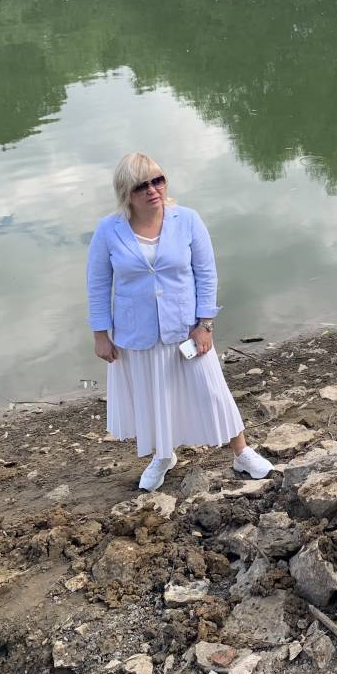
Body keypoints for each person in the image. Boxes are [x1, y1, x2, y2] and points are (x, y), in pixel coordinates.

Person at [87, 153, 272, 492]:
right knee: (153, 398)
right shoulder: (107, 230)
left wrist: (205, 324)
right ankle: (163, 455)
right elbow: (98, 284)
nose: (153, 190)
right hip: (135, 333)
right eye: (142, 185)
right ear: (126, 192)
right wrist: (100, 334)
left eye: (158, 180)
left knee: (213, 391)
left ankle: (241, 452)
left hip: (185, 329)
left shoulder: (187, 220)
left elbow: (206, 273)